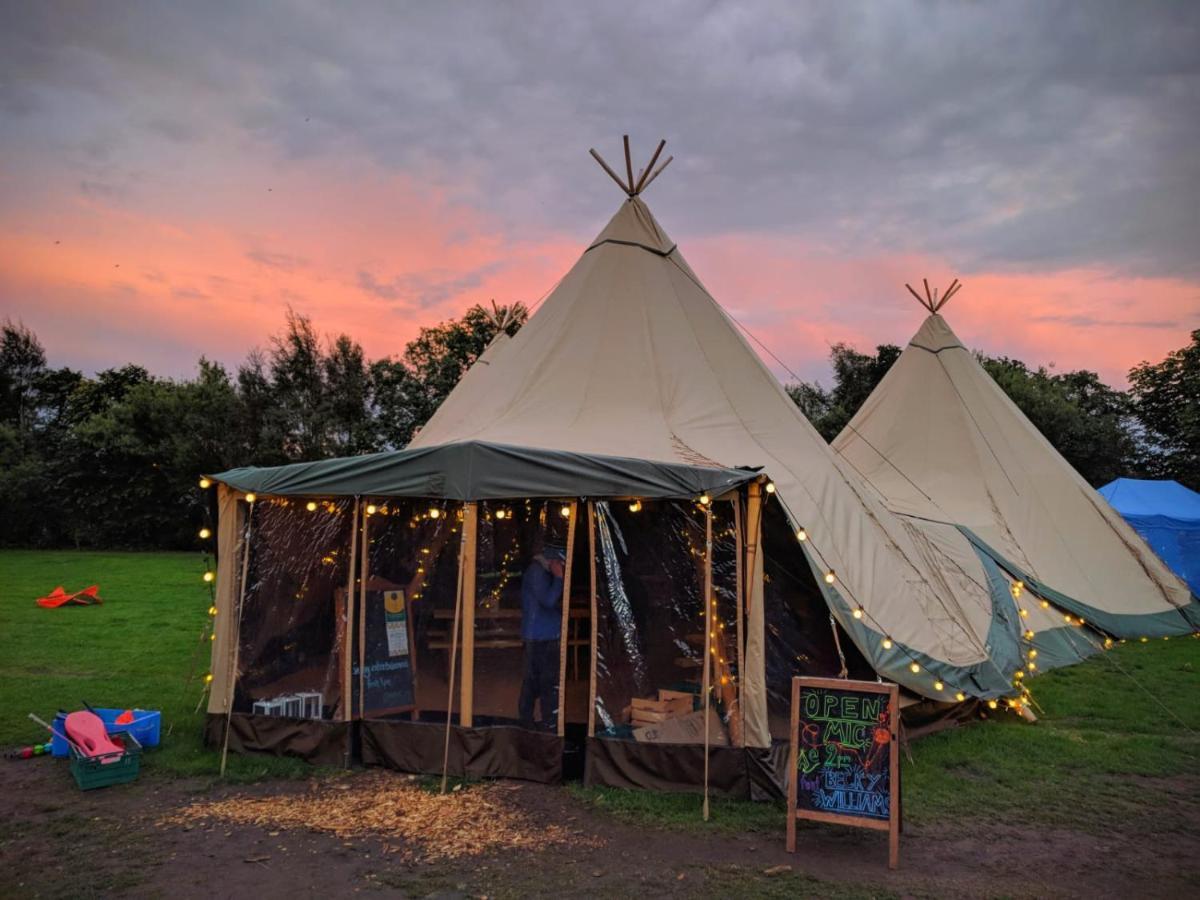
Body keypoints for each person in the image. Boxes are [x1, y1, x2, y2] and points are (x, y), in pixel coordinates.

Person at [518, 543, 565, 730]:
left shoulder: (540, 572)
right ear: (554, 561)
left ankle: (536, 720)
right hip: (539, 636)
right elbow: (548, 600)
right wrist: (559, 578)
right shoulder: (537, 572)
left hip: (545, 633)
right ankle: (541, 722)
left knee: (540, 680)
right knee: (540, 681)